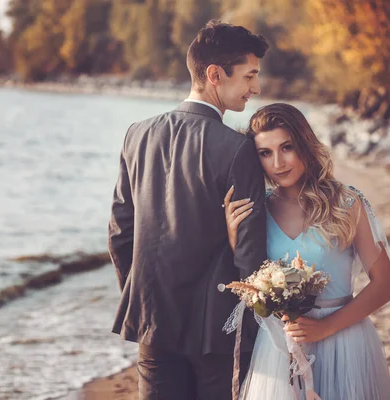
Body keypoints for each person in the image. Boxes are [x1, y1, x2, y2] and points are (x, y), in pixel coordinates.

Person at [108, 20, 270, 400]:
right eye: (249, 76)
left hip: (151, 321)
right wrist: (253, 334)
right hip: (215, 331)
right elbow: (249, 253)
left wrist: (142, 299)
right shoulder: (237, 149)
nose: (256, 88)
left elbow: (120, 232)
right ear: (215, 74)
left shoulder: (137, 133)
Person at [223, 103, 390, 399]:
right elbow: (245, 284)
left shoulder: (346, 203)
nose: (277, 162)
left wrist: (325, 327)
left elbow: (386, 284)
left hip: (344, 341)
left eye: (287, 147)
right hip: (280, 348)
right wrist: (232, 237)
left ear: (304, 144)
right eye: (265, 153)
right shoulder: (258, 210)